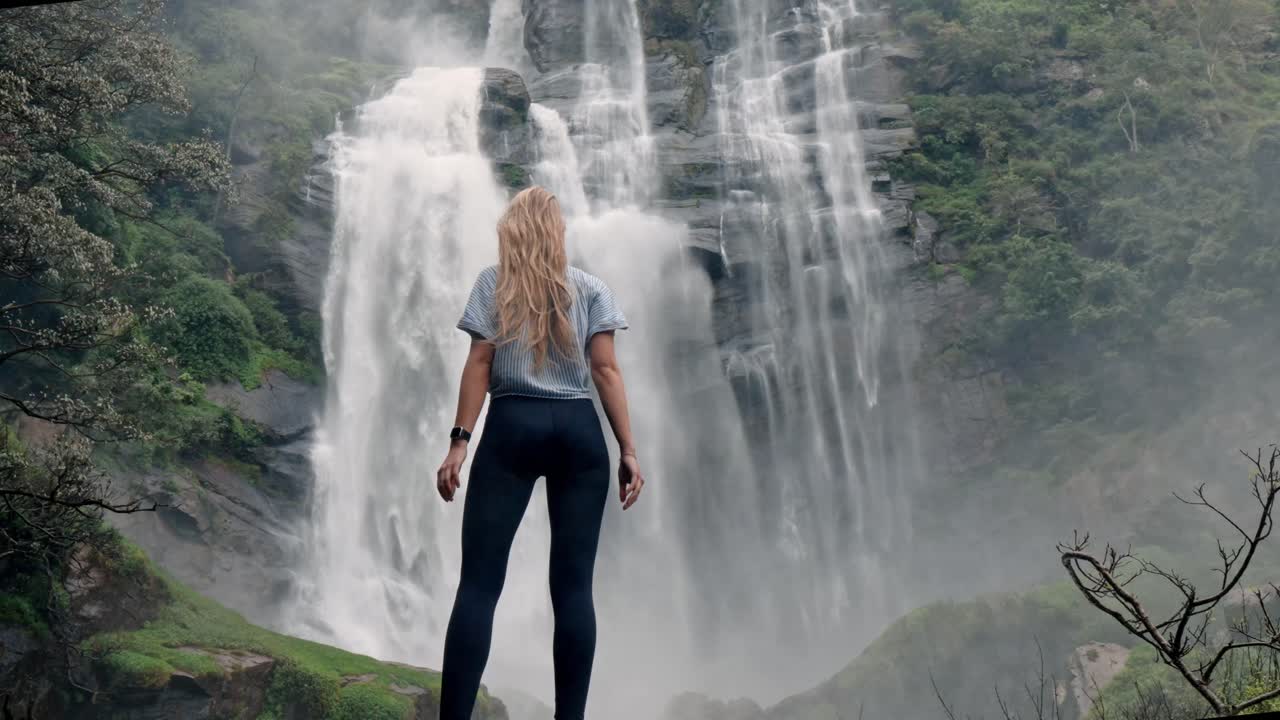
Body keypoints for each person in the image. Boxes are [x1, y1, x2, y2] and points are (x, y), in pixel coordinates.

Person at [435, 186, 646, 720]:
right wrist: (628, 448)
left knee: (479, 585)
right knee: (573, 589)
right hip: (579, 431)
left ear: (511, 230)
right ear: (558, 233)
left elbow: (479, 363)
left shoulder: (494, 284)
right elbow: (605, 370)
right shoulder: (592, 289)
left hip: (512, 426)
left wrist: (459, 443)